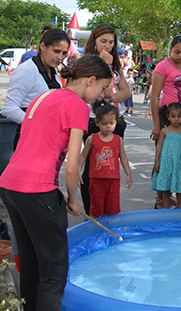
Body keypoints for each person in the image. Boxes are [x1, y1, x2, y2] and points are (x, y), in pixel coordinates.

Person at [0, 54, 113, 311]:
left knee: (30, 265)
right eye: (102, 88)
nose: (101, 95)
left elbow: (33, 147)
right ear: (90, 80)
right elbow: (72, 166)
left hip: (11, 185)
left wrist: (54, 189)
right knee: (54, 272)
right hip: (36, 190)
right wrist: (73, 197)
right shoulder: (78, 106)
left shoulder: (44, 96)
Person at [80, 24, 132, 213]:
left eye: (111, 42)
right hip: (94, 121)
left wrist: (109, 98)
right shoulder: (86, 62)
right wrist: (107, 65)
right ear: (94, 40)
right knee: (92, 168)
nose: (107, 46)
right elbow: (105, 90)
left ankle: (109, 210)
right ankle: (92, 211)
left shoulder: (116, 64)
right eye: (103, 41)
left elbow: (125, 92)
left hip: (114, 120)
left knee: (110, 167)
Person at [2, 26, 68, 149]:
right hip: (29, 137)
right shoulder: (26, 70)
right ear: (42, 46)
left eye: (64, 53)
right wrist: (36, 124)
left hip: (46, 136)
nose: (60, 57)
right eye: (56, 51)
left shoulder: (52, 70)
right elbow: (9, 108)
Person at [78, 100, 133, 217]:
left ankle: (110, 230)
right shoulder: (92, 139)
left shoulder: (118, 140)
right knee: (96, 208)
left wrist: (128, 174)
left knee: (112, 208)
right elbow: (83, 156)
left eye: (111, 123)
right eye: (104, 123)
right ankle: (96, 229)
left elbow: (123, 158)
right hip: (96, 180)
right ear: (97, 123)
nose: (108, 126)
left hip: (113, 180)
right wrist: (77, 171)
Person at [150, 35, 181, 138]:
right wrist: (156, 125)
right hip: (169, 117)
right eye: (177, 52)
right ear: (170, 49)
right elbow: (154, 97)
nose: (180, 56)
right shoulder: (162, 66)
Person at [152, 102, 181, 209]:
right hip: (166, 162)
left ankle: (180, 206)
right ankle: (165, 207)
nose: (176, 119)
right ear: (168, 117)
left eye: (179, 116)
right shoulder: (165, 131)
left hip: (179, 163)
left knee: (179, 185)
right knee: (166, 186)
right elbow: (159, 146)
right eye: (173, 116)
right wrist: (156, 161)